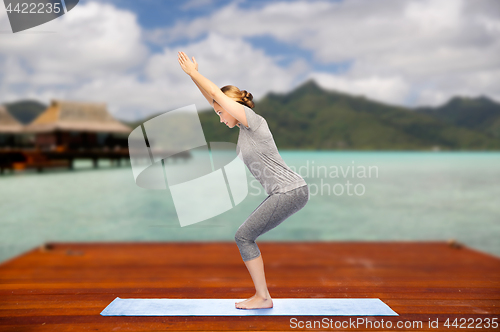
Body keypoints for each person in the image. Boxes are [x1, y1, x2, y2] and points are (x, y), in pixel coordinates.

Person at [178, 51, 310, 309]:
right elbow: (214, 97)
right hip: (283, 192)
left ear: (231, 107)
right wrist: (193, 78)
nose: (219, 117)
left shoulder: (254, 122)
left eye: (220, 113)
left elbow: (217, 96)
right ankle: (262, 296)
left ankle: (263, 297)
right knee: (245, 236)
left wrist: (194, 73)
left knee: (244, 236)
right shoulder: (243, 129)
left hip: (289, 191)